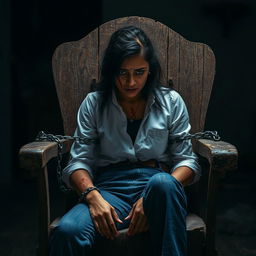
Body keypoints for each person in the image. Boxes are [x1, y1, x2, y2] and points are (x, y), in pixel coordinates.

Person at [49, 25, 201, 256]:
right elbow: (79, 162)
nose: (130, 82)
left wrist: (149, 200)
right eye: (122, 72)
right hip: (109, 189)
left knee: (164, 184)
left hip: (158, 187)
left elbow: (187, 161)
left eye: (139, 72)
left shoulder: (171, 101)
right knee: (69, 231)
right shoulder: (94, 103)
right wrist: (93, 197)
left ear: (150, 69)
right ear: (112, 71)